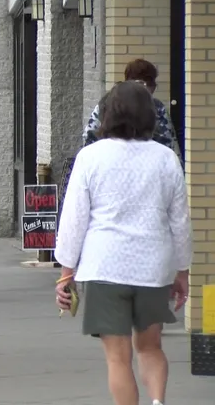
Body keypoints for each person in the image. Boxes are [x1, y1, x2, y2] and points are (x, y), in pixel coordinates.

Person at [55, 81, 191, 405]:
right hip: (153, 266)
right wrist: (182, 270)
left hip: (105, 267)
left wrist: (65, 272)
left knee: (118, 357)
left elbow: (74, 219)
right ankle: (158, 401)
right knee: (151, 347)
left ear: (107, 114)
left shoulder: (90, 157)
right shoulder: (166, 159)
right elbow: (180, 220)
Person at [83, 59, 181, 160]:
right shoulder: (156, 106)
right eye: (151, 85)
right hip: (147, 164)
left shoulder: (107, 102)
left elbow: (89, 136)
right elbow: (168, 142)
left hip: (108, 161)